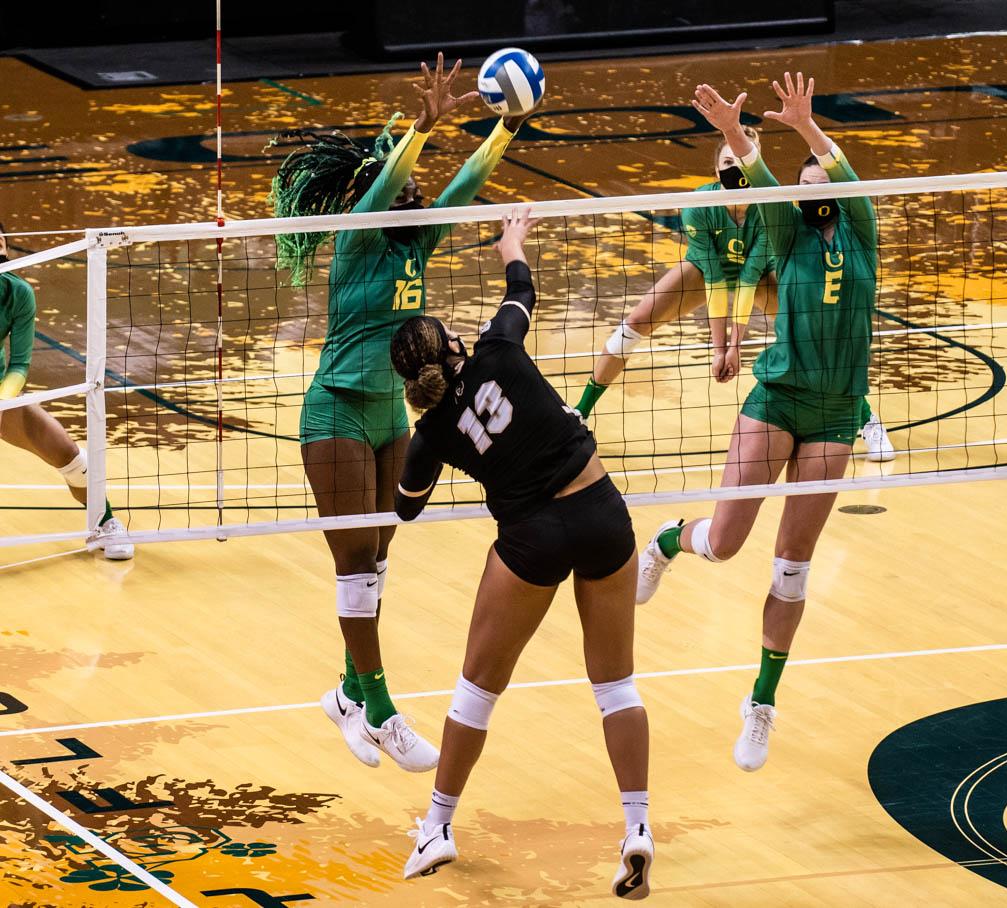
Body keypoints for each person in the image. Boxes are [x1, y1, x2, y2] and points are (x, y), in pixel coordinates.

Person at [269, 55, 529, 772]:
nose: (416, 190)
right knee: (355, 564)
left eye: (417, 183)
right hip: (337, 412)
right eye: (403, 184)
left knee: (377, 560)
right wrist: (418, 127)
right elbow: (386, 180)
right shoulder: (357, 241)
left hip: (392, 416)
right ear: (374, 197)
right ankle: (379, 709)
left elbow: (466, 183)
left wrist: (505, 127)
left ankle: (349, 693)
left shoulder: (419, 242)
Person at [391, 211, 653, 900]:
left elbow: (406, 506)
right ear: (453, 343)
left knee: (478, 687)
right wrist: (512, 244)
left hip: (532, 538)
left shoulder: (431, 434)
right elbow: (521, 289)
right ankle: (636, 827)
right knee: (615, 685)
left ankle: (438, 827)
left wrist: (420, 442)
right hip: (600, 514)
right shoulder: (499, 350)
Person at [635, 73, 879, 771]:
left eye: (821, 176)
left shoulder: (860, 229)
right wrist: (734, 133)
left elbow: (840, 169)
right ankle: (667, 543)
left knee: (793, 571)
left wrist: (807, 125)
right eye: (802, 182)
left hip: (837, 413)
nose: (814, 185)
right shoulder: (787, 230)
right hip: (778, 398)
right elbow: (757, 171)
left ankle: (761, 705)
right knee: (726, 543)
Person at [573, 135, 893, 460]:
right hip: (704, 270)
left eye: (741, 163)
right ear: (716, 168)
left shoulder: (767, 209)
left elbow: (748, 279)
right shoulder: (700, 204)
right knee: (636, 322)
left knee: (810, 340)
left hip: (759, 276)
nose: (735, 169)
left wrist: (735, 347)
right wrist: (719, 350)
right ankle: (579, 414)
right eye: (728, 163)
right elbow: (714, 278)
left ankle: (868, 421)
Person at [0, 224, 133, 560]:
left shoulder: (17, 293)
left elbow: (19, 364)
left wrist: (3, 401)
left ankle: (105, 522)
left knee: (71, 458)